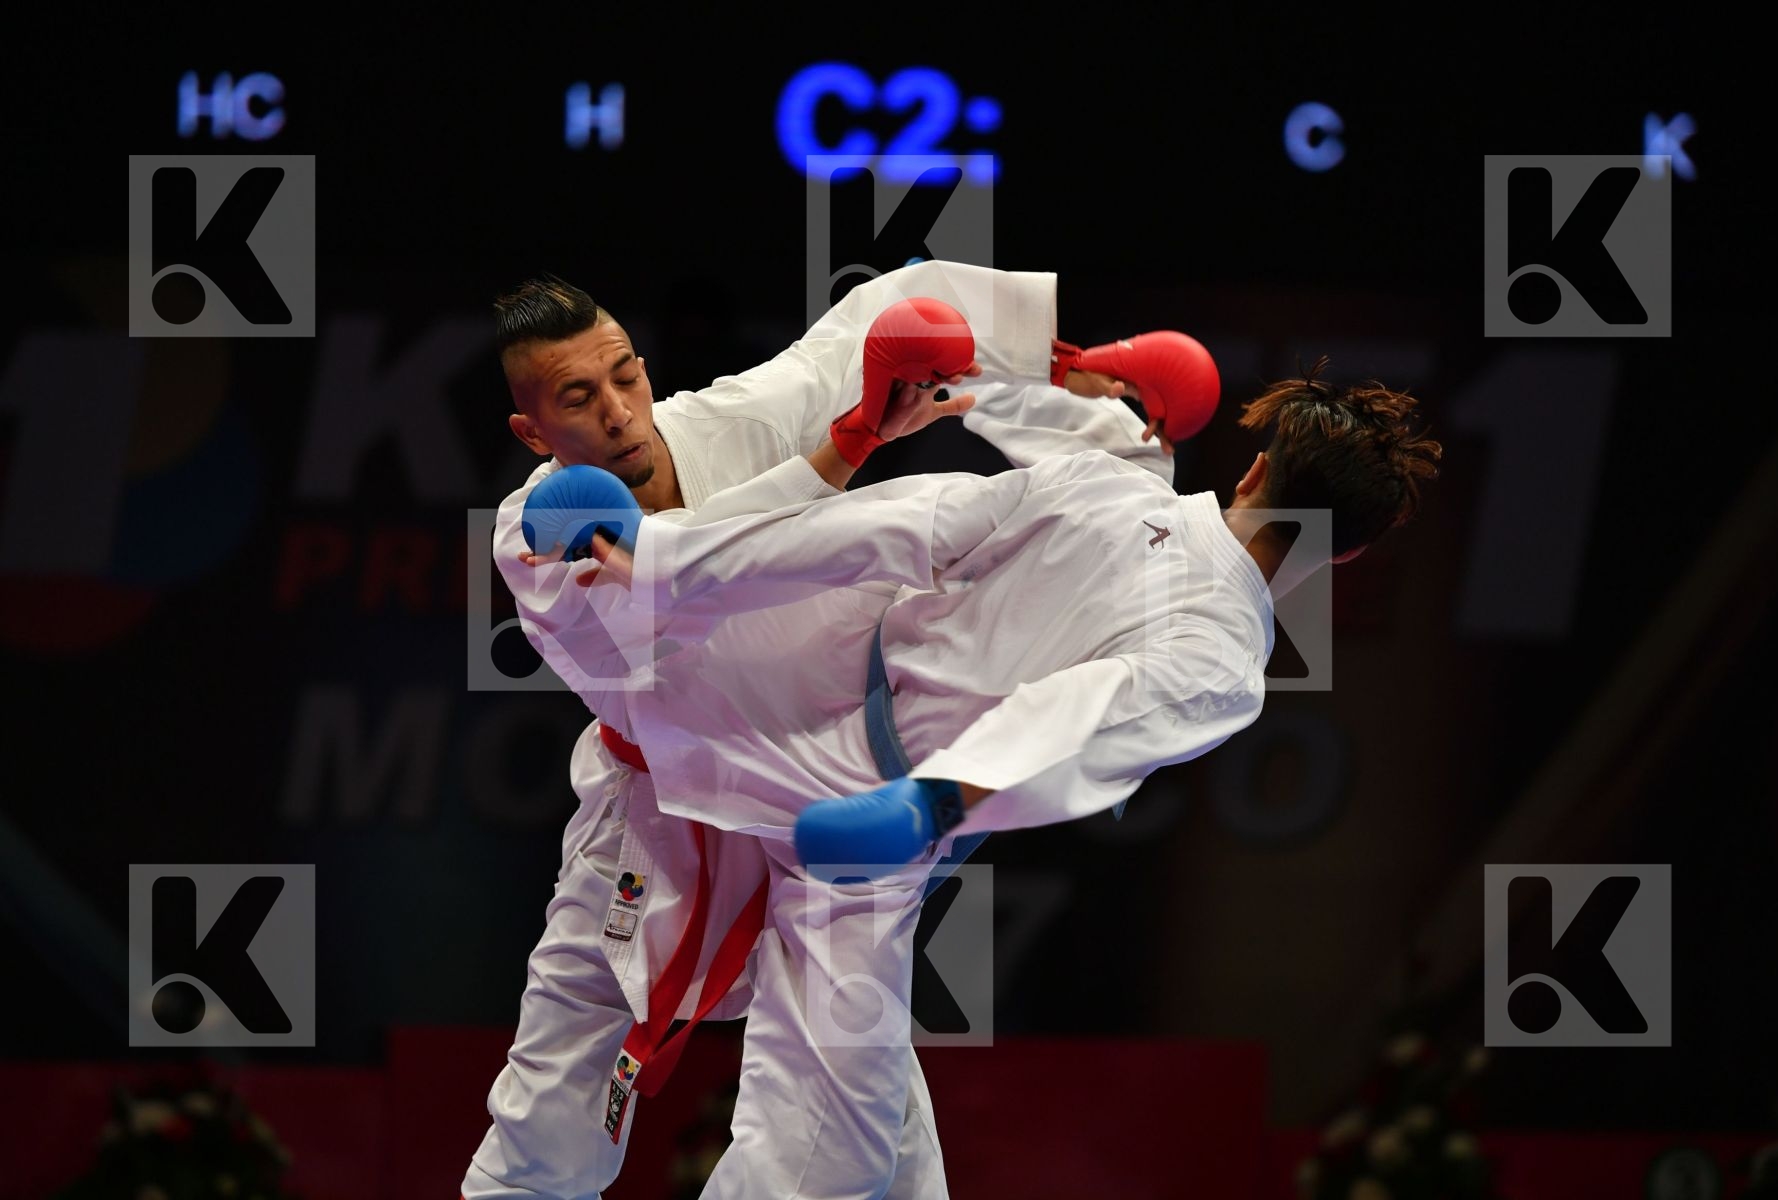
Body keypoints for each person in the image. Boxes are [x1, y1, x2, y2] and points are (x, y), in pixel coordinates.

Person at [528, 359, 1441, 1194]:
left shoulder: (1112, 481)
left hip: (803, 661)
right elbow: (1085, 716)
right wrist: (938, 798)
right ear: (1346, 555)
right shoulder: (1223, 657)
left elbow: (901, 520)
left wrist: (669, 556)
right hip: (877, 808)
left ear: (1250, 473)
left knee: (885, 1151)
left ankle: (609, 564)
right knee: (832, 1157)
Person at [464, 261, 1218, 1199]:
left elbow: (870, 323)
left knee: (864, 1114)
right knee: (551, 1111)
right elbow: (676, 578)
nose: (619, 409)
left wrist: (1063, 365)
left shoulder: (724, 422)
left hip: (812, 788)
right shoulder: (533, 533)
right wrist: (847, 447)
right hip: (652, 825)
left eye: (625, 374)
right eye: (580, 397)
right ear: (531, 431)